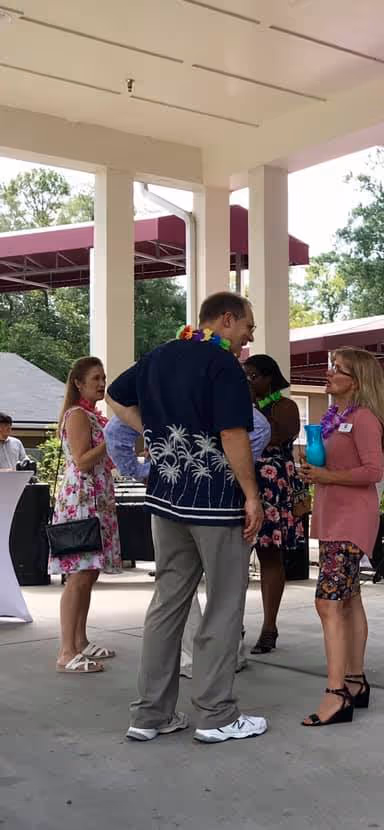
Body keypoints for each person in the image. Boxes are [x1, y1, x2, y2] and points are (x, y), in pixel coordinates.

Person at [107, 292, 267, 744]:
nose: (250, 336)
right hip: (215, 502)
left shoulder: (159, 356)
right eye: (248, 327)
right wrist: (251, 495)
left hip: (164, 498)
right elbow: (234, 433)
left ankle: (150, 714)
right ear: (227, 320)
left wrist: (153, 431)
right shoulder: (224, 367)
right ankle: (216, 715)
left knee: (167, 602)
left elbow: (116, 399)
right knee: (223, 603)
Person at [103, 409, 272, 677]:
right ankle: (218, 677)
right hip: (216, 500)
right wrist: (227, 464)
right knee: (225, 593)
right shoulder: (217, 379)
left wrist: (143, 469)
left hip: (167, 496)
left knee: (171, 595)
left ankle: (163, 693)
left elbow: (114, 430)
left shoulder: (151, 381)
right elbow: (259, 427)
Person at [298, 347, 384, 727]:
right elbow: (339, 465)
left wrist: (327, 477)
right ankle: (354, 680)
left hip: (351, 520)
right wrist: (314, 470)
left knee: (328, 603)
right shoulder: (334, 418)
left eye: (338, 369)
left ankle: (336, 695)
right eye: (331, 367)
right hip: (335, 517)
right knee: (348, 600)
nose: (329, 373)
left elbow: (373, 471)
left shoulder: (364, 419)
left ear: (357, 381)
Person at [49, 357, 122, 674]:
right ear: (78, 383)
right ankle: (66, 651)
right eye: (95, 378)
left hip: (96, 497)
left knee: (90, 572)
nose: (102, 383)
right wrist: (111, 441)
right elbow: (81, 461)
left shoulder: (93, 416)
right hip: (81, 499)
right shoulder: (77, 415)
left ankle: (80, 641)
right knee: (79, 574)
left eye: (103, 377)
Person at [243, 354, 306, 655]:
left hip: (273, 484)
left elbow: (278, 434)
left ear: (270, 378)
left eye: (253, 376)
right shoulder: (237, 404)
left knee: (270, 554)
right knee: (234, 558)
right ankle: (232, 624)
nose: (249, 381)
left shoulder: (286, 406)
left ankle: (269, 627)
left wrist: (254, 406)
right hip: (243, 481)